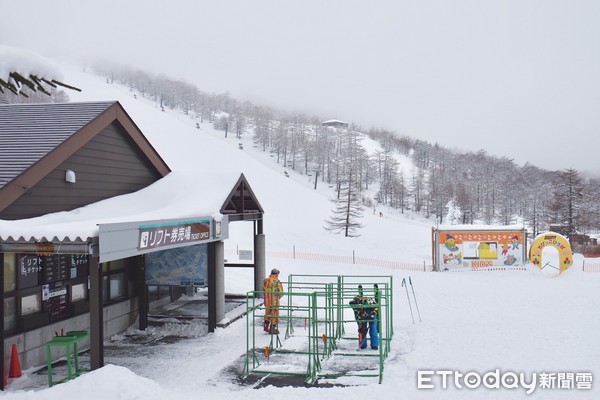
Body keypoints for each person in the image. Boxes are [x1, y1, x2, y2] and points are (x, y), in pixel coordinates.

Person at [262, 268, 284, 334]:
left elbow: (263, 289)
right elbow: (280, 292)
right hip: (274, 301)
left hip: (267, 301)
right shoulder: (277, 281)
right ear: (277, 274)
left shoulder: (265, 280)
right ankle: (272, 329)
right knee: (274, 314)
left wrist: (266, 297)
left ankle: (266, 326)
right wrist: (278, 297)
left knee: (267, 313)